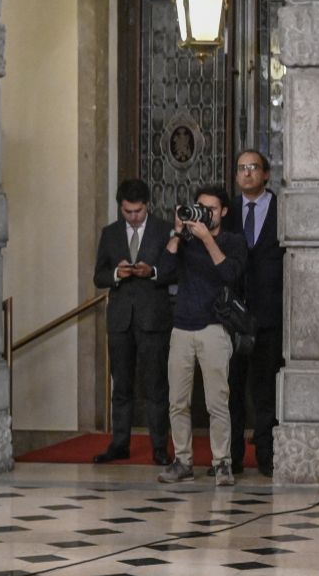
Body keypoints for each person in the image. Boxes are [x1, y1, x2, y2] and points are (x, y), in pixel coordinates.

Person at [155, 184, 246, 486]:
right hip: (181, 327)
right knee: (177, 401)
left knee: (217, 402)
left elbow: (230, 275)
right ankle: (183, 461)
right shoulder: (185, 241)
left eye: (211, 210)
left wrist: (208, 240)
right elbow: (164, 272)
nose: (204, 214)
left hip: (214, 328)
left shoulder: (232, 241)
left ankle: (222, 464)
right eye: (199, 208)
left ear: (223, 212)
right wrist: (177, 234)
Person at [91, 178, 175, 466]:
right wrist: (117, 274)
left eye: (138, 211)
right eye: (128, 212)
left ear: (147, 205)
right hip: (120, 320)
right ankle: (120, 443)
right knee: (122, 385)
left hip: (153, 318)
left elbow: (175, 271)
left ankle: (160, 447)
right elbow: (98, 275)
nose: (134, 217)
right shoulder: (110, 233)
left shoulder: (164, 230)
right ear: (120, 208)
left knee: (156, 385)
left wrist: (152, 272)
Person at [223, 150, 283, 477]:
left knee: (265, 391)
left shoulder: (281, 208)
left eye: (253, 168)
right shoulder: (228, 212)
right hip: (232, 317)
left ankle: (266, 455)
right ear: (236, 175)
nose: (247, 173)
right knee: (232, 388)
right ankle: (231, 457)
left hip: (268, 316)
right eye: (242, 168)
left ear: (266, 174)